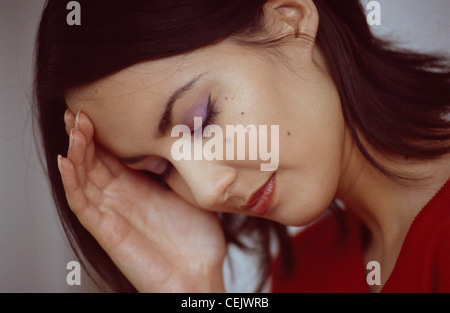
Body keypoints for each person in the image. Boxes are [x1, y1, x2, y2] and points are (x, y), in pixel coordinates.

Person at [34, 0, 450, 292]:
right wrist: (195, 287)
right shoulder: (302, 273)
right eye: (159, 169)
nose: (206, 190)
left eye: (200, 120)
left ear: (290, 22)